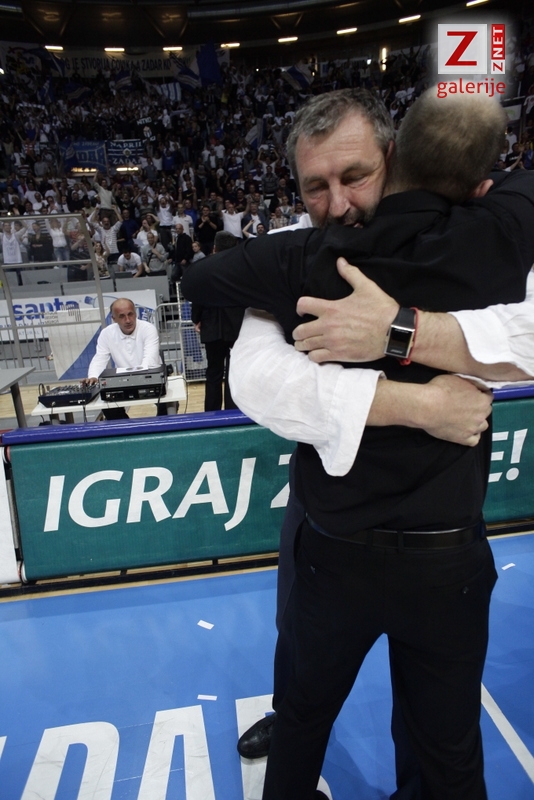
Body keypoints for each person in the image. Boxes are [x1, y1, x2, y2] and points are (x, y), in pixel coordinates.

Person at [182, 89, 534, 799]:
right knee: (418, 740)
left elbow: (202, 279)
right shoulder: (488, 236)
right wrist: (420, 403)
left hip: (396, 551)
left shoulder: (301, 261)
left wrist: (400, 330)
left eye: (355, 177)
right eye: (316, 187)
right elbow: (256, 380)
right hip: (356, 544)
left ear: (393, 159)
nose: (338, 203)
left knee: (368, 731)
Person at [190, 231, 245, 411]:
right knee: (233, 372)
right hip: (236, 328)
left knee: (213, 372)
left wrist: (196, 319)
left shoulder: (203, 268)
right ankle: (232, 412)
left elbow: (197, 297)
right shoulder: (241, 269)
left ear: (214, 248)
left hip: (212, 327)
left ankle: (212, 414)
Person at [85, 298, 164, 419]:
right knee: (108, 407)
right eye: (122, 316)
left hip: (151, 378)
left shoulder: (148, 329)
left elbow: (150, 359)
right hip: (122, 381)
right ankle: (128, 429)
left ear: (135, 314)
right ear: (114, 318)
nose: (128, 320)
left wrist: (137, 379)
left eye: (130, 314)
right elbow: (100, 357)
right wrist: (93, 376)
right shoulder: (106, 333)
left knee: (168, 404)